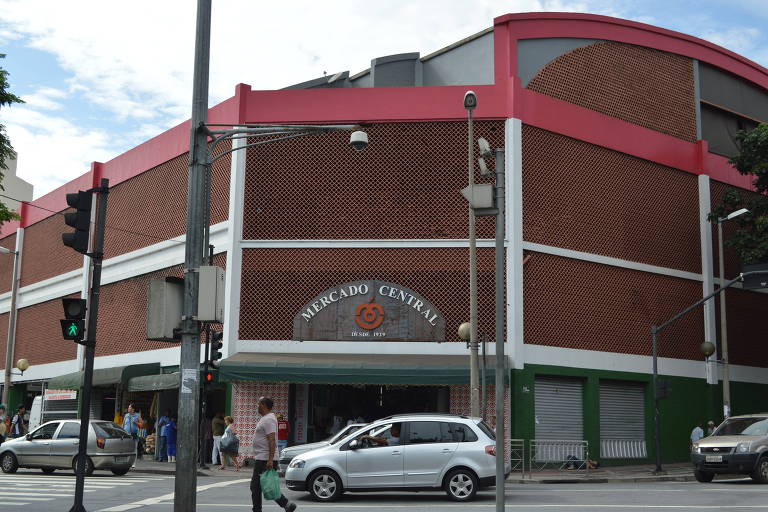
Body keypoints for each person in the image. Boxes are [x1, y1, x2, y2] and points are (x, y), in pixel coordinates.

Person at [251, 397, 297, 512]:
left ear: (263, 405)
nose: (257, 406)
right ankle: (287, 505)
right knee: (265, 486)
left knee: (256, 486)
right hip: (263, 457)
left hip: (264, 458)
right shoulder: (267, 418)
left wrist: (270, 460)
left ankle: (258, 510)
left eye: (259, 404)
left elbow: (272, 440)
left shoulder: (269, 419)